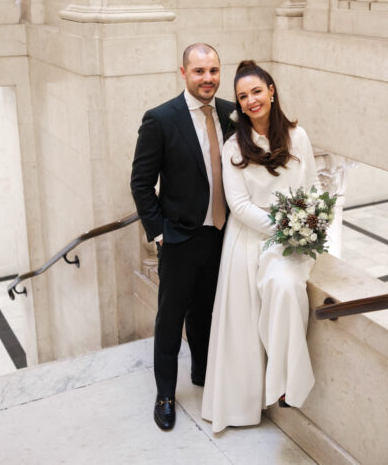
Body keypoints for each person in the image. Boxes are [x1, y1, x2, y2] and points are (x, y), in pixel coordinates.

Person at [202, 60, 318, 433]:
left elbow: (313, 189)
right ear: (238, 105)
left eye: (256, 91)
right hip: (247, 238)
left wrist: (304, 227)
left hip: (293, 243)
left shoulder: (298, 137)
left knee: (285, 290)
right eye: (242, 96)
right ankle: (244, 403)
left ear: (271, 91)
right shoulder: (234, 146)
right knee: (241, 326)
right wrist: (283, 227)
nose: (251, 100)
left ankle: (288, 385)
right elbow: (238, 205)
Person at [130, 43, 236, 431]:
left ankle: (203, 374)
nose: (208, 78)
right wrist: (159, 232)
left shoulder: (231, 113)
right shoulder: (160, 119)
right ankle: (165, 394)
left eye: (213, 71)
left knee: (206, 311)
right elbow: (141, 183)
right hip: (179, 238)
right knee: (171, 319)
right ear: (183, 72)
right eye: (199, 71)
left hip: (222, 235)